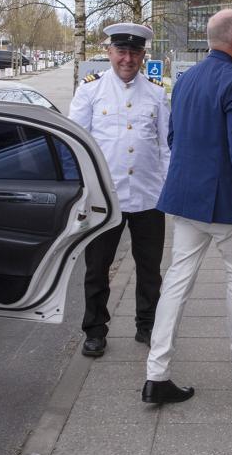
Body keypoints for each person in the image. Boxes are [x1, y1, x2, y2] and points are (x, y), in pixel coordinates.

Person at [142, 9, 232, 404]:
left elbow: (175, 137)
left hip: (186, 201)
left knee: (176, 282)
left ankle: (156, 374)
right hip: (227, 206)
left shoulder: (186, 80)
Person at [69, 22, 171, 357]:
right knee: (97, 269)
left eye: (134, 52)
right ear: (109, 52)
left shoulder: (156, 93)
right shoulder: (90, 91)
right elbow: (77, 146)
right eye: (121, 51)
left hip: (148, 195)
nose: (127, 58)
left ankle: (147, 325)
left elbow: (165, 147)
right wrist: (82, 192)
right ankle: (95, 330)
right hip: (104, 197)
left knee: (149, 269)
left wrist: (171, 191)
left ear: (143, 55)